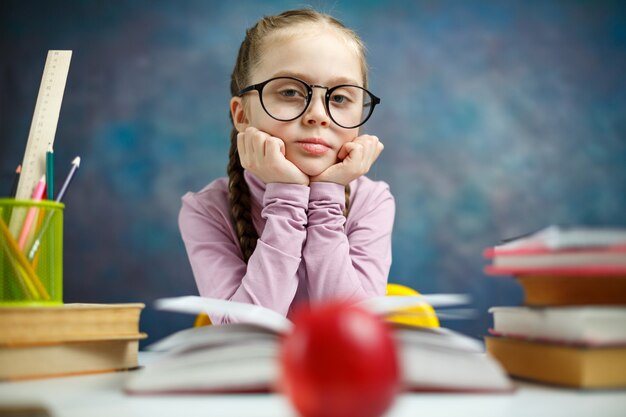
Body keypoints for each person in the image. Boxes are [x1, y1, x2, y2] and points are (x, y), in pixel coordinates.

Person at [179, 8, 395, 324]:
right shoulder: (206, 209)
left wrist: (326, 196)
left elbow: (355, 331)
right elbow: (243, 338)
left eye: (339, 98)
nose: (318, 114)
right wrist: (288, 196)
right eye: (291, 92)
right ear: (242, 115)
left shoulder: (372, 202)